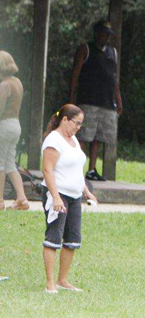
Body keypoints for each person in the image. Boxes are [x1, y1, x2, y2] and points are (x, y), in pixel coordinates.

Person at [41, 104, 98, 293]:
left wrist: (86, 192)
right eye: (76, 123)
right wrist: (56, 198)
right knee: (54, 237)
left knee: (72, 239)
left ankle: (62, 280)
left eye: (81, 124)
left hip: (74, 196)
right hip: (58, 194)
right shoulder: (54, 140)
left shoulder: (72, 139)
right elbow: (47, 170)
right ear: (64, 120)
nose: (78, 127)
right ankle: (50, 283)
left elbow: (76, 170)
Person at [68, 20, 123, 182]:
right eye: (104, 34)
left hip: (106, 102)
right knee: (84, 136)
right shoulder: (85, 49)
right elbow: (75, 75)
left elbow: (114, 78)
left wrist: (118, 99)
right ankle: (76, 168)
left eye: (109, 35)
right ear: (97, 33)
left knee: (99, 138)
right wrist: (71, 99)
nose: (106, 37)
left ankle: (91, 169)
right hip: (88, 100)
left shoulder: (112, 52)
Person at [0, 51, 29, 211]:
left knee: (0, 165)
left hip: (3, 125)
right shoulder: (17, 82)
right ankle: (21, 198)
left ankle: (0, 200)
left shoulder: (4, 85)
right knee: (10, 164)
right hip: (15, 125)